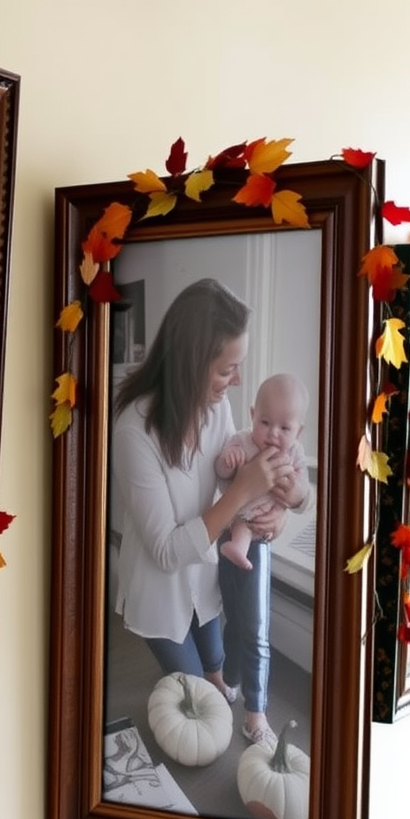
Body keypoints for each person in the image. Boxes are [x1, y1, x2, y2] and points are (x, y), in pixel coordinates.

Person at [111, 278, 285, 749]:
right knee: (197, 711)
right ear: (192, 363)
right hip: (159, 585)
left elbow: (234, 484)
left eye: (239, 367)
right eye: (229, 369)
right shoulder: (134, 431)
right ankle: (201, 684)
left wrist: (272, 515)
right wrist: (241, 493)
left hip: (203, 570)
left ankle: (212, 674)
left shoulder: (218, 409)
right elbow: (167, 551)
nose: (237, 381)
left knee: (217, 658)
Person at [215, 373, 310, 571]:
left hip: (271, 519)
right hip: (242, 514)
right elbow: (220, 472)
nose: (273, 433)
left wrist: (294, 497)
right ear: (253, 415)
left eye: (285, 428)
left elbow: (304, 489)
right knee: (242, 527)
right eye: (265, 423)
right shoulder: (242, 441)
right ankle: (238, 550)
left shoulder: (295, 452)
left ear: (298, 432)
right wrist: (229, 460)